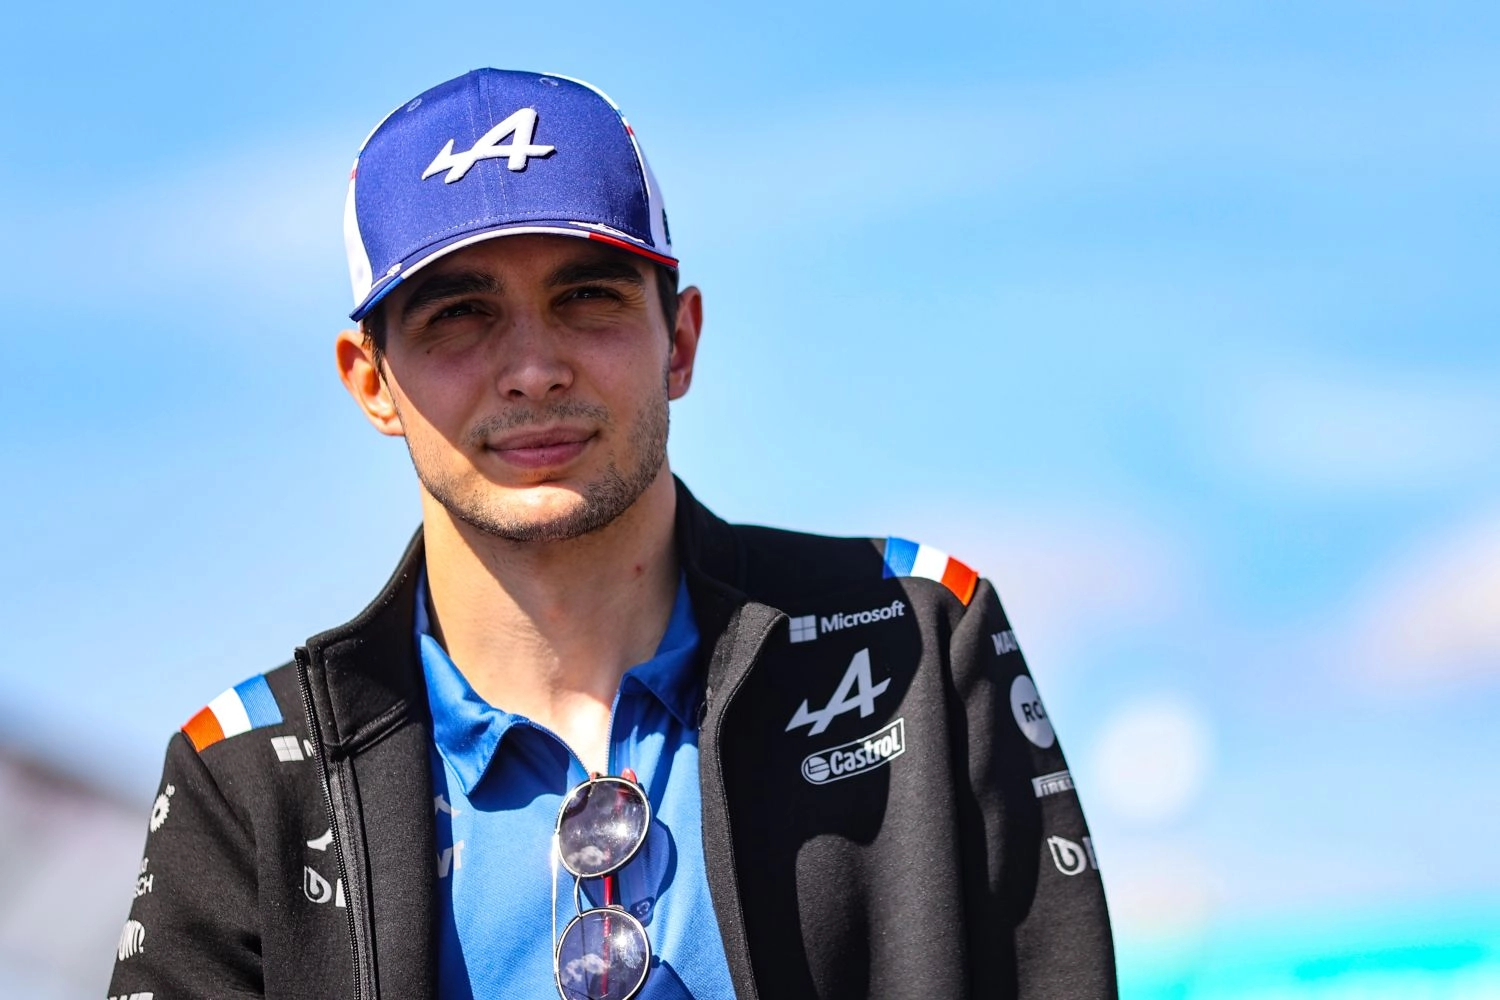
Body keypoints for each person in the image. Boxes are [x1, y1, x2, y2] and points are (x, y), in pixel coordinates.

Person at [108, 69, 1116, 1000]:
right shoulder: (243, 777)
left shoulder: (911, 634)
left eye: (585, 297)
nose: (535, 367)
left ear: (679, 339)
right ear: (371, 381)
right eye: (459, 314)